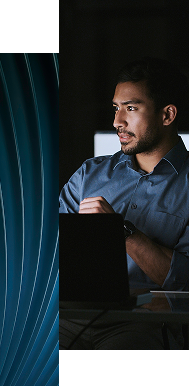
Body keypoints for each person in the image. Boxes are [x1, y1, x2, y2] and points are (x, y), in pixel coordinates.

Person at [59, 57, 189, 349]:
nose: (117, 121)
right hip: (69, 318)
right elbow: (47, 256)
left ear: (167, 115)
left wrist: (122, 232)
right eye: (116, 108)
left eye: (131, 108)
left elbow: (186, 281)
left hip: (146, 323)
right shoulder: (88, 174)